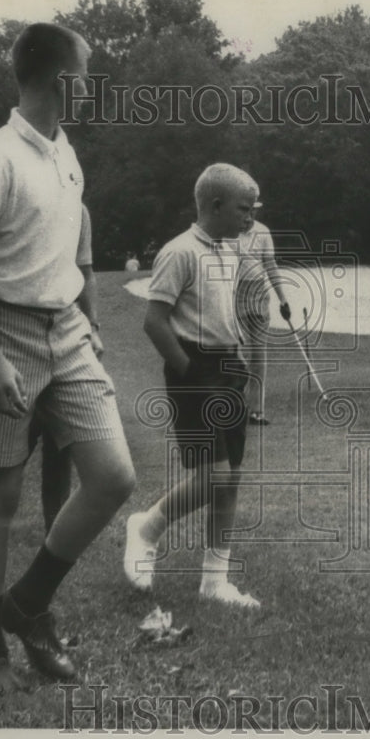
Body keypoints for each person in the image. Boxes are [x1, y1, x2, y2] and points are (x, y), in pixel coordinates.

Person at [0, 23, 136, 698]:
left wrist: (86, 322)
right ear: (64, 80)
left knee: (113, 476)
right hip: (9, 332)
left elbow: (66, 255)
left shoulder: (66, 152)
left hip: (68, 332)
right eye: (86, 73)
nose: (90, 85)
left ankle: (27, 602)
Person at [123, 163, 260, 608]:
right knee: (212, 476)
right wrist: (189, 372)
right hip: (193, 370)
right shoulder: (179, 251)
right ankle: (146, 528)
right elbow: (154, 322)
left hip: (226, 367)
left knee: (230, 478)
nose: (250, 218)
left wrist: (235, 359)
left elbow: (220, 312)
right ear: (215, 205)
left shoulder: (228, 249)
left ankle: (214, 581)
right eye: (243, 209)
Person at [35, 205, 103, 534]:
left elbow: (85, 271)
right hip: (16, 334)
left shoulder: (77, 210)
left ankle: (55, 528)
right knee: (10, 448)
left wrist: (93, 327)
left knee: (60, 443)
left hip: (65, 335)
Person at [235, 202, 291, 425]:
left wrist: (283, 298)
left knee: (259, 355)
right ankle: (236, 407)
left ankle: (256, 411)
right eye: (246, 211)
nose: (249, 217)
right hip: (235, 293)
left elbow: (271, 266)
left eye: (253, 212)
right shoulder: (227, 233)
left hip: (259, 293)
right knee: (238, 353)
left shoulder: (263, 231)